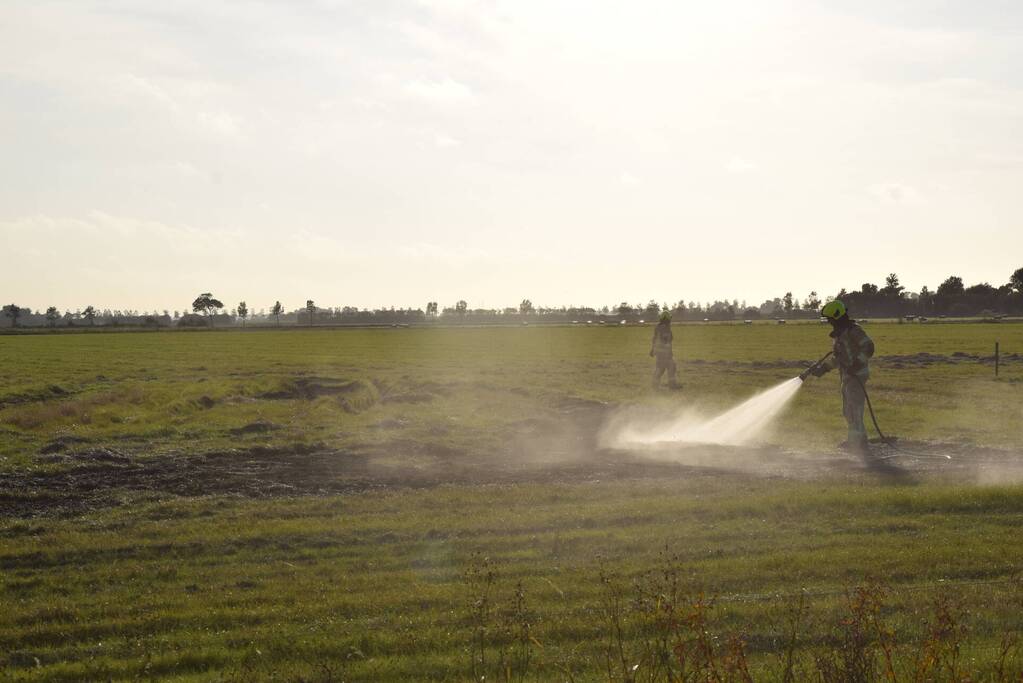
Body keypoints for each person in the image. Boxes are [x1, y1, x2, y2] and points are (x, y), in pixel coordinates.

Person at [807, 299, 875, 452]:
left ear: (837, 317)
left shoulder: (854, 331)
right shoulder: (841, 334)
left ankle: (858, 444)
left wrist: (857, 365)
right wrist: (824, 369)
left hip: (857, 376)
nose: (829, 322)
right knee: (848, 410)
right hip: (847, 376)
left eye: (830, 319)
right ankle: (855, 441)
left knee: (854, 410)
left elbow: (869, 347)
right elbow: (840, 358)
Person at [650, 311, 679, 389]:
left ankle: (655, 385)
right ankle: (672, 385)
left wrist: (652, 349)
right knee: (670, 367)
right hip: (665, 353)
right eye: (669, 319)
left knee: (661, 369)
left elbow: (654, 339)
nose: (670, 320)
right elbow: (667, 339)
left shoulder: (658, 327)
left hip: (661, 352)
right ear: (666, 319)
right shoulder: (665, 328)